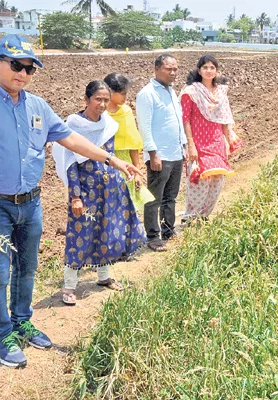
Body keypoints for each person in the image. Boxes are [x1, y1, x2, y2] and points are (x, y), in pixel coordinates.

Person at [0, 35, 142, 368]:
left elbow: (71, 139)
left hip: (30, 203)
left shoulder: (36, 105)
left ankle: (22, 321)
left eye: (29, 68)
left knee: (27, 268)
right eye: (16, 65)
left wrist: (113, 160)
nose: (22, 73)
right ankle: (1, 336)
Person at [52, 81, 146, 306]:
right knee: (80, 235)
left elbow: (110, 155)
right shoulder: (73, 126)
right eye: (98, 99)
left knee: (106, 229)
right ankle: (69, 286)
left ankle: (103, 277)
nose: (102, 104)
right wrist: (75, 196)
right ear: (86, 99)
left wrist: (124, 171)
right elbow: (70, 164)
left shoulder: (108, 125)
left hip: (109, 187)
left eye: (106, 100)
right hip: (85, 191)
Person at [180, 55, 242, 223]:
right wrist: (190, 145)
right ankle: (191, 217)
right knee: (199, 180)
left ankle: (204, 216)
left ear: (217, 71)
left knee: (216, 181)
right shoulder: (191, 92)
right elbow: (185, 119)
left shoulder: (221, 92)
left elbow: (224, 118)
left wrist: (229, 139)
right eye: (205, 67)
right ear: (199, 70)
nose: (209, 71)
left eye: (212, 68)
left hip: (216, 142)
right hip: (198, 142)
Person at [136, 54, 187, 252]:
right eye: (168, 69)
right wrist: (152, 154)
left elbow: (177, 121)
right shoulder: (147, 94)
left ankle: (167, 229)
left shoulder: (171, 92)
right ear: (156, 69)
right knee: (154, 198)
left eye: (175, 69)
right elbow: (144, 126)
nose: (172, 72)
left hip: (174, 152)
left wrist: (183, 146)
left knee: (171, 196)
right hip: (160, 155)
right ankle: (153, 236)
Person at [104, 73, 155, 209]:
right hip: (103, 162)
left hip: (126, 165)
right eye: (122, 93)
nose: (125, 98)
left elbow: (133, 143)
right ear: (110, 91)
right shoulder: (100, 114)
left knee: (127, 205)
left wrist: (137, 171)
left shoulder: (126, 112)